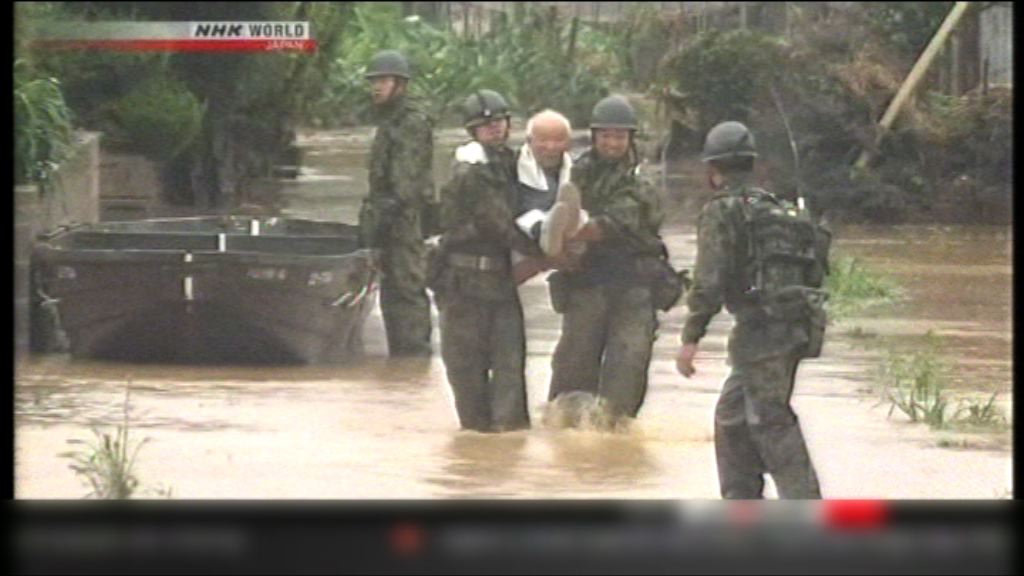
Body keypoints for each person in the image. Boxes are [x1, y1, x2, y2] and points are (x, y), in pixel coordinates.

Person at [675, 121, 829, 499]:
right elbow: (816, 269)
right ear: (752, 165)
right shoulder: (781, 210)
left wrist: (690, 338)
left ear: (713, 172)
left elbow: (708, 281)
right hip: (796, 326)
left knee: (770, 421)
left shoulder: (721, 212)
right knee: (731, 418)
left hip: (764, 331)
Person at [432, 89, 548, 432]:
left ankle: (506, 458)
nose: (494, 129)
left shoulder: (515, 165)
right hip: (463, 287)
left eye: (498, 122)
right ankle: (481, 459)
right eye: (486, 125)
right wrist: (544, 252)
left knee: (510, 374)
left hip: (499, 283)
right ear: (473, 131)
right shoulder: (469, 170)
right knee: (469, 385)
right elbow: (496, 222)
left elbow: (541, 197)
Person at [547, 95, 665, 427]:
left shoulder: (642, 178)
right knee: (570, 380)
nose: (612, 143)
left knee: (624, 378)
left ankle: (614, 451)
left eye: (619, 136)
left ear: (629, 139)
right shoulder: (577, 173)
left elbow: (618, 223)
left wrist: (572, 231)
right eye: (606, 135)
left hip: (633, 288)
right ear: (595, 136)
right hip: (587, 284)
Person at [358, 49, 434, 357]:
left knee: (407, 291)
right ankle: (402, 365)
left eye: (383, 80)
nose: (376, 87)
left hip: (403, 221)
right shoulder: (390, 120)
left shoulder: (410, 123)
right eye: (373, 81)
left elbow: (404, 186)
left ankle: (414, 364)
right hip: (389, 219)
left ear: (400, 84)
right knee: (393, 294)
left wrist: (377, 230)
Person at [511, 109, 588, 283]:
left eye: (558, 140)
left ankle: (569, 228)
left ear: (568, 143)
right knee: (530, 217)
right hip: (526, 231)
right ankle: (547, 233)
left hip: (568, 231)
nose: (551, 147)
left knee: (579, 214)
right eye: (543, 140)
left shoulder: (577, 168)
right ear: (529, 141)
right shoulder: (510, 165)